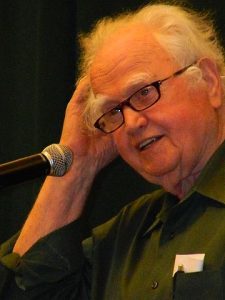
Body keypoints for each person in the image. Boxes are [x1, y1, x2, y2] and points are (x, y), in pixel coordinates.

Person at [0, 2, 225, 299]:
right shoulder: (126, 236)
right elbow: (24, 293)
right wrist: (77, 165)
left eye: (145, 92)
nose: (130, 122)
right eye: (114, 111)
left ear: (209, 81)